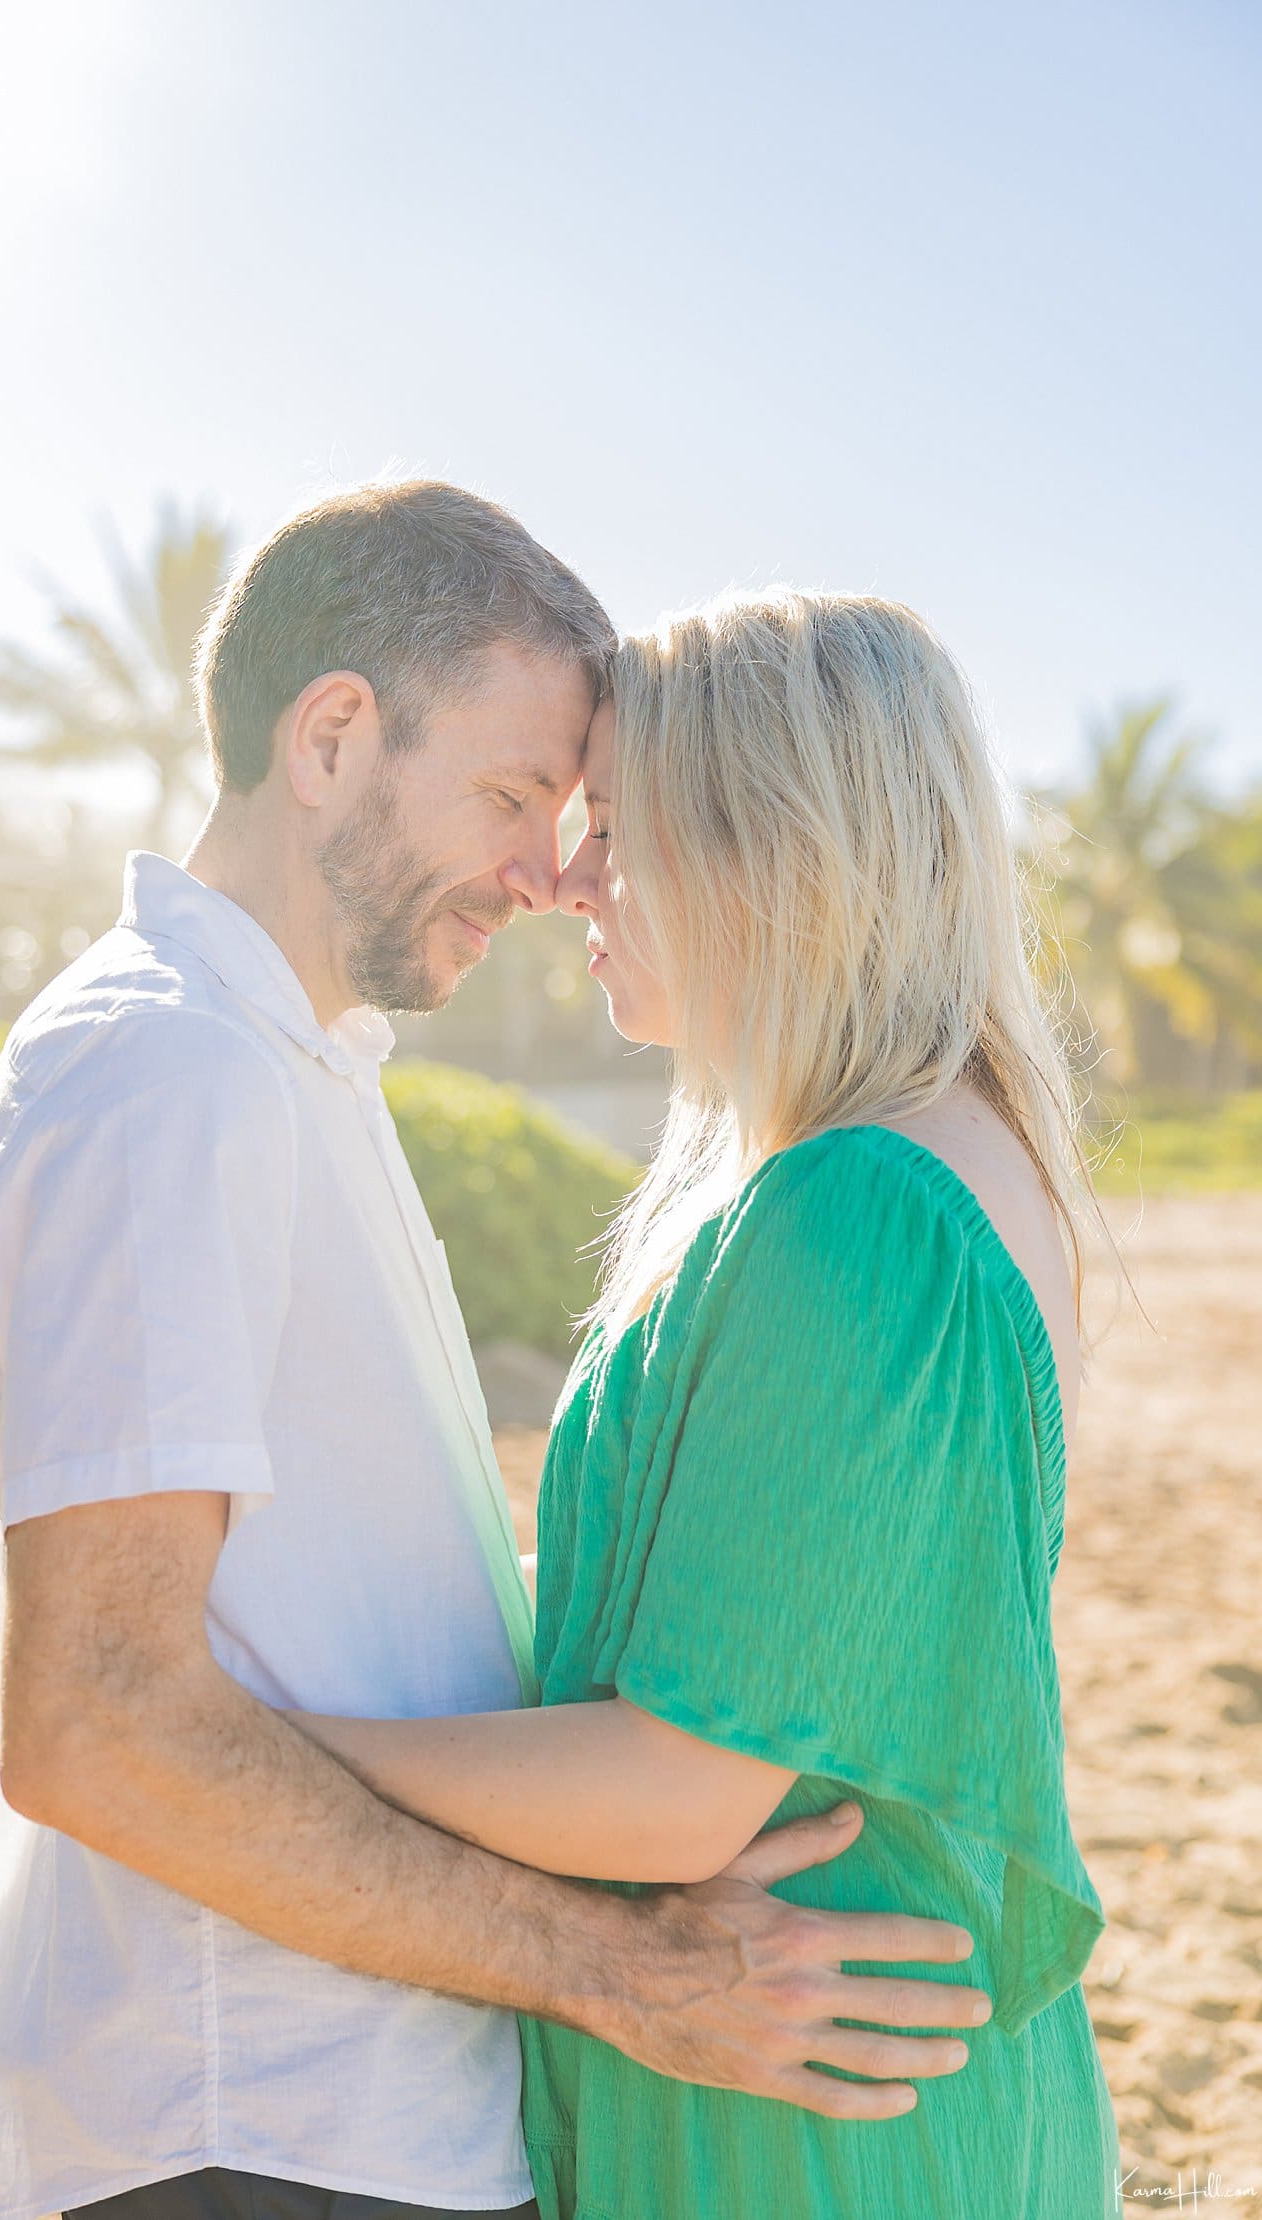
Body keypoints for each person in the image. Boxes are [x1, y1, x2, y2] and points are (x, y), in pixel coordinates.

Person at [0, 492, 990, 2220]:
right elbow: (102, 1722)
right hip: (246, 2128)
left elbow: (323, 1599)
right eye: (511, 796)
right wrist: (624, 1968)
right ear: (335, 736)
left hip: (338, 2112)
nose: (545, 870)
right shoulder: (164, 1077)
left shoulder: (292, 1072)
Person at [289, 590, 1122, 2216]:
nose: (564, 878)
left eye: (618, 826)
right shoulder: (962, 1157)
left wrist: (281, 1747)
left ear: (778, 844)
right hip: (864, 2072)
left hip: (805, 2121)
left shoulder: (859, 1208)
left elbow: (679, 1792)